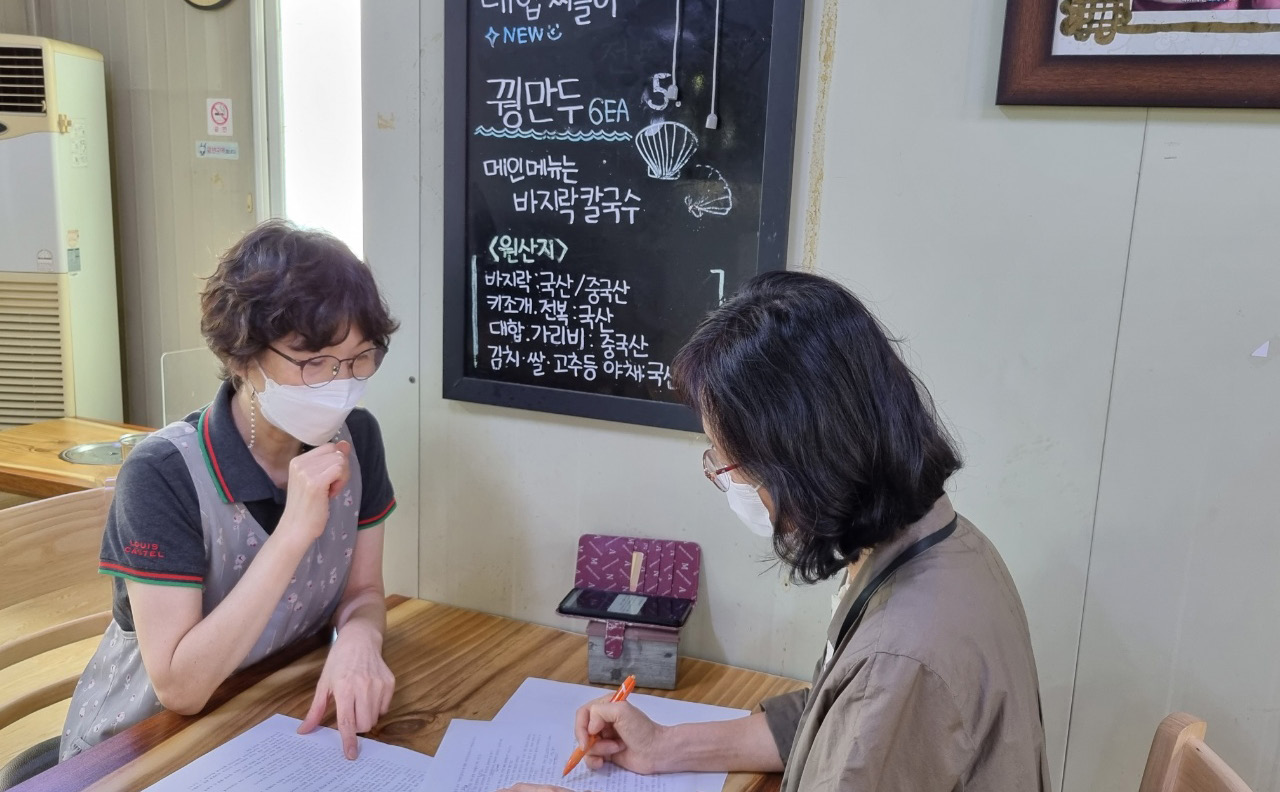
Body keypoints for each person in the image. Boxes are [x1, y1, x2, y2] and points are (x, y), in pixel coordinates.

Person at [500, 271, 1051, 791]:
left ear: (803, 463)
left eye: (727, 461)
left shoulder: (899, 660)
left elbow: (866, 713)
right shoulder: (946, 545)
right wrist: (666, 746)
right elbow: (831, 720)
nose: (723, 477)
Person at [60, 220, 400, 762]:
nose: (341, 383)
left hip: (273, 711)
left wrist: (361, 638)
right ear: (243, 357)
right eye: (314, 362)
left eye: (360, 358)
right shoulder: (163, 474)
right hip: (143, 743)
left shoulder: (358, 439)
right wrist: (292, 533)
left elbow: (363, 592)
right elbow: (180, 688)